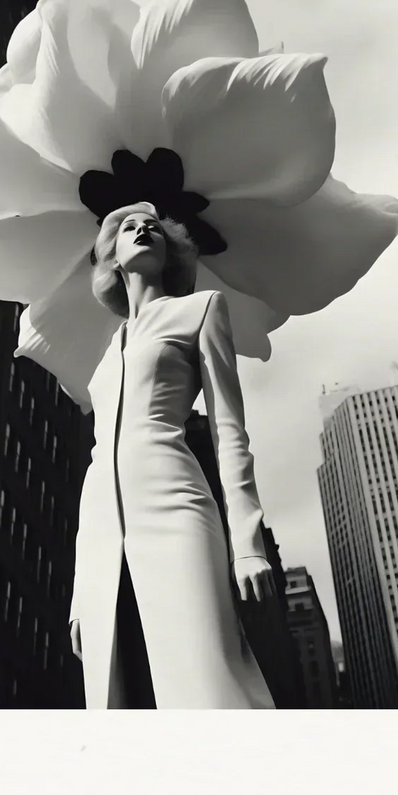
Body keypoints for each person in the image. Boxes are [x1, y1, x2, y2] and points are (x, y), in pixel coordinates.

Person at [67, 201, 277, 709]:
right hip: (104, 532)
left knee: (208, 674)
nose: (142, 230)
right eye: (129, 228)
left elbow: (230, 430)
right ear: (112, 257)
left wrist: (247, 542)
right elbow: (99, 462)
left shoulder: (201, 308)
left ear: (169, 253)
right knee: (116, 693)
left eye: (154, 228)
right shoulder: (108, 349)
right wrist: (80, 587)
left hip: (177, 506)